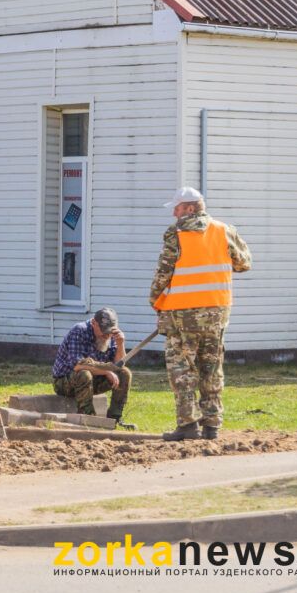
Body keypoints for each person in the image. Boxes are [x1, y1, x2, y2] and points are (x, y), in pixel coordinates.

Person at [151, 187, 252, 441]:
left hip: (182, 314)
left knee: (182, 368)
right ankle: (212, 425)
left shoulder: (176, 234)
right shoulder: (224, 230)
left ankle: (187, 425)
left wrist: (155, 300)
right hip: (217, 311)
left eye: (177, 208)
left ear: (190, 208)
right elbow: (243, 263)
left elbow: (164, 272)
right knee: (211, 367)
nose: (174, 213)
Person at [51, 307, 134, 428]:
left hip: (93, 380)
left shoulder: (111, 335)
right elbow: (79, 365)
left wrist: (121, 344)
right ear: (94, 323)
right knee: (84, 373)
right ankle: (88, 418)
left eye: (110, 332)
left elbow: (119, 365)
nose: (107, 335)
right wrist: (106, 371)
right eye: (104, 331)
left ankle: (114, 419)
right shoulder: (79, 331)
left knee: (124, 373)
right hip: (65, 382)